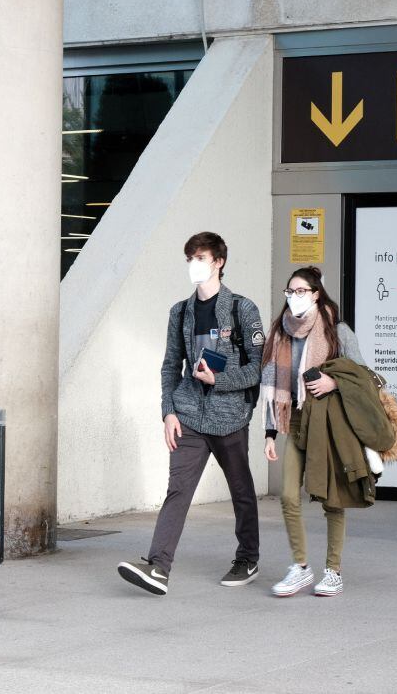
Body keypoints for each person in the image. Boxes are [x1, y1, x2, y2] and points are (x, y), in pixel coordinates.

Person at [118, 232, 265, 595]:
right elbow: (171, 366)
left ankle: (247, 557)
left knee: (241, 490)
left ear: (219, 262)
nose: (194, 265)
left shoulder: (242, 309)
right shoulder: (179, 312)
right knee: (178, 490)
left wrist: (220, 380)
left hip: (230, 417)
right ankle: (157, 566)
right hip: (188, 416)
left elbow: (257, 368)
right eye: (189, 259)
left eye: (200, 257)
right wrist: (169, 411)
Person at [262, 267, 369, 597]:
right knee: (289, 496)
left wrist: (333, 381)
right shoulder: (280, 332)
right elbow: (272, 383)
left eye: (300, 291)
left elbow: (363, 375)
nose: (294, 297)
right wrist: (269, 433)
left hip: (327, 423)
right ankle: (300, 567)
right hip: (294, 421)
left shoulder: (337, 331)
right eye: (289, 292)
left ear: (316, 293)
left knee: (331, 500)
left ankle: (333, 571)